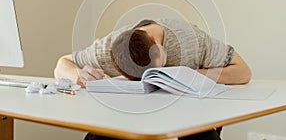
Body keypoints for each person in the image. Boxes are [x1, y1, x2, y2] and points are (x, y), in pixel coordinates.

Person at [54, 18, 251, 140]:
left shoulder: (191, 40)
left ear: (156, 42)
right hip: (134, 114)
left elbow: (243, 71)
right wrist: (76, 75)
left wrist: (189, 76)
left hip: (190, 113)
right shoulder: (108, 49)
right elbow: (62, 63)